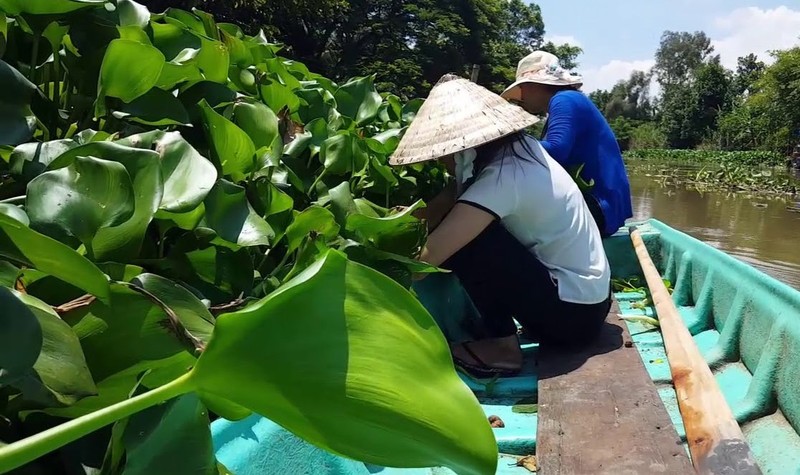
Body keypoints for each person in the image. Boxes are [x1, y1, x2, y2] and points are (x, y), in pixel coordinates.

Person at [390, 74, 612, 378]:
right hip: (592, 304)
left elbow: (425, 262)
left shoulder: (502, 177)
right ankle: (499, 335)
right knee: (467, 224)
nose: (441, 159)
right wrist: (399, 222)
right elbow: (451, 198)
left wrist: (379, 273)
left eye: (444, 150)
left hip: (571, 320)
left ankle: (504, 348)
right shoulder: (525, 150)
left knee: (470, 239)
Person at [500, 51, 633, 237]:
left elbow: (555, 151)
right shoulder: (565, 102)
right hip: (603, 208)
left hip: (600, 206)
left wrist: (504, 144)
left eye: (522, 88)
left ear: (534, 85)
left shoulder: (564, 100)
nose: (521, 96)